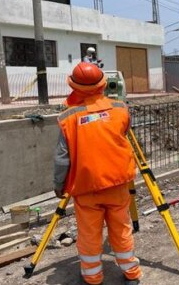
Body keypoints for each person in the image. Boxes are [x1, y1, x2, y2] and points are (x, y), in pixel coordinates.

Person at [54, 62, 141, 285]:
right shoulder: (121, 108)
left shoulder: (67, 118)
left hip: (86, 188)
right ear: (103, 83)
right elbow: (121, 134)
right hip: (118, 183)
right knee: (121, 228)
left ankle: (92, 277)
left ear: (73, 86)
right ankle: (131, 272)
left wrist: (59, 185)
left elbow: (62, 159)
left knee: (89, 233)